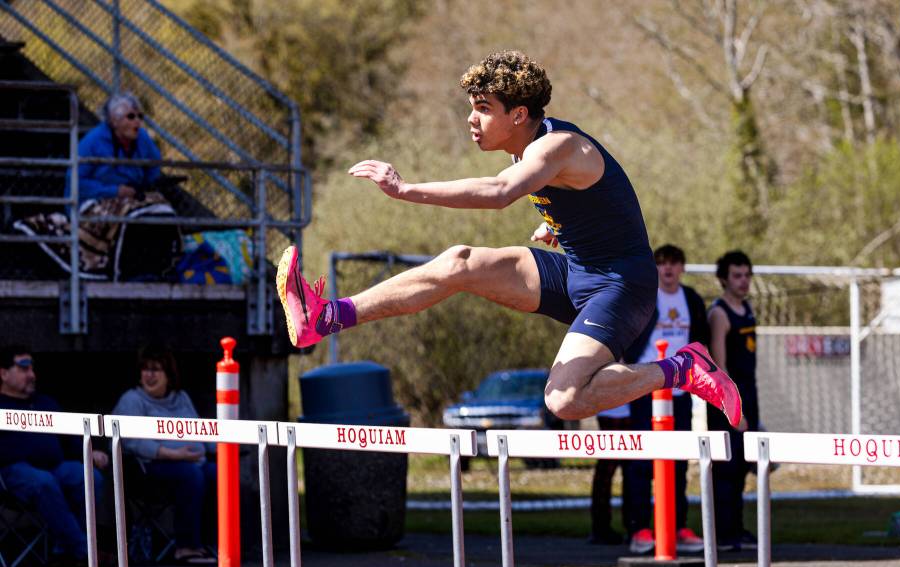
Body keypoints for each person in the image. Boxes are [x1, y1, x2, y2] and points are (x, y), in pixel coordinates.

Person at [277, 50, 742, 428]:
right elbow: (591, 202)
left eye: (483, 109)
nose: (471, 120)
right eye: (471, 107)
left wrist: (405, 189)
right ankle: (326, 318)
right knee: (459, 262)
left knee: (563, 399)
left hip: (621, 284)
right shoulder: (531, 151)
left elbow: (500, 192)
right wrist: (558, 226)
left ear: (519, 114)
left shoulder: (557, 146)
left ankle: (682, 368)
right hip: (576, 270)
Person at [622, 244, 708, 555]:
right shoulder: (644, 297)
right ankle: (640, 529)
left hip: (680, 392)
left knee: (678, 463)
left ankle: (677, 526)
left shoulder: (692, 300)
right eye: (661, 264)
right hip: (644, 389)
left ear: (682, 267)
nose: (667, 269)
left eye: (673, 263)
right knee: (642, 462)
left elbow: (701, 342)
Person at [0, 345, 111, 567]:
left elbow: (70, 440)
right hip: (12, 472)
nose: (31, 374)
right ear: (3, 373)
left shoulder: (46, 403)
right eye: (23, 368)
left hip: (54, 467)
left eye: (32, 368)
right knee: (43, 482)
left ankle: (66, 553)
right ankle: (85, 552)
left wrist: (90, 452)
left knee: (88, 477)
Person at [111, 344, 216, 566]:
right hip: (148, 469)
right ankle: (186, 547)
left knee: (220, 475)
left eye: (156, 369)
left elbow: (201, 429)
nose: (149, 375)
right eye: (145, 370)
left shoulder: (181, 397)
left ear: (168, 375)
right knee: (192, 476)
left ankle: (218, 543)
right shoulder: (132, 400)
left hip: (193, 462)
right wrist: (172, 453)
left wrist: (222, 448)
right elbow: (129, 440)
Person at [708, 250, 760, 552]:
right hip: (728, 400)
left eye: (746, 275)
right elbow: (719, 366)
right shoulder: (719, 314)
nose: (743, 282)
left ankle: (737, 528)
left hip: (749, 394)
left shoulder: (747, 309)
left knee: (742, 467)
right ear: (724, 279)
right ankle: (723, 533)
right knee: (726, 468)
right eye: (737, 276)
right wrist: (733, 408)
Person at [588, 403, 630, 545]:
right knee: (606, 472)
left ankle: (632, 526)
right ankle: (600, 527)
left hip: (626, 410)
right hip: (612, 411)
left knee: (630, 472)